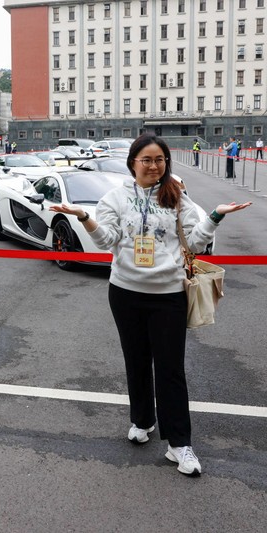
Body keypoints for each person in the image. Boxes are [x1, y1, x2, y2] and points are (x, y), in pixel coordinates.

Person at [50, 133, 251, 477]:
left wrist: (216, 215)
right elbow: (106, 242)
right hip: (125, 292)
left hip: (169, 294)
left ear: (165, 163)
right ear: (133, 163)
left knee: (171, 369)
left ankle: (180, 444)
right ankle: (142, 420)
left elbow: (198, 243)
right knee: (136, 359)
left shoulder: (177, 196)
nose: (154, 166)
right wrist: (84, 217)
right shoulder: (114, 198)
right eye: (147, 160)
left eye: (159, 160)